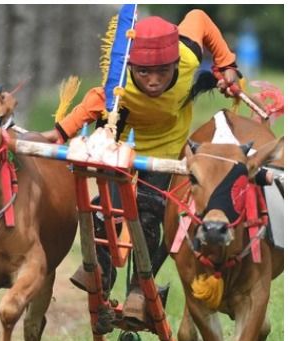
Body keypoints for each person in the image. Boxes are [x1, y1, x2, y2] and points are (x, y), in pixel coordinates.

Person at [39, 10, 244, 325]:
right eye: (144, 72)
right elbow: (95, 101)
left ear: (176, 63)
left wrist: (227, 65)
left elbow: (199, 17)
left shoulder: (188, 55)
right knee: (101, 209)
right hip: (123, 145)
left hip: (165, 150)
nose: (153, 80)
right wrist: (60, 133)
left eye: (162, 71)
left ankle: (140, 289)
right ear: (132, 66)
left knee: (150, 211)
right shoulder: (120, 84)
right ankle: (101, 275)